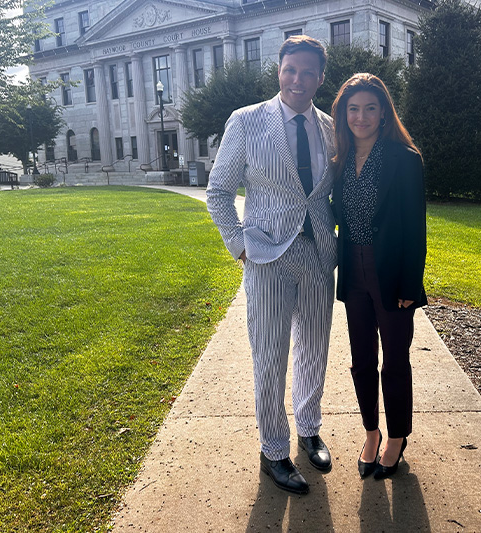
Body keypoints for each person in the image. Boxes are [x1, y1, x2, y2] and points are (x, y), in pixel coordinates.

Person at [206, 35, 336, 495]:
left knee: (315, 350)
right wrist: (238, 245)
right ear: (278, 72)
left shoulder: (329, 127)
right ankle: (273, 450)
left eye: (307, 72)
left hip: (318, 255)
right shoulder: (246, 121)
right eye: (289, 70)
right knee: (269, 355)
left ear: (320, 78)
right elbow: (218, 191)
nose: (297, 80)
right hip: (265, 256)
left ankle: (309, 427)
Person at [330, 73, 427, 480]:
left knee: (395, 359)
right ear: (343, 113)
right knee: (362, 360)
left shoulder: (405, 159)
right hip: (353, 269)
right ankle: (371, 432)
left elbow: (414, 227)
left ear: (384, 112)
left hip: (391, 273)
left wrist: (410, 283)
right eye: (353, 108)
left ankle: (396, 437)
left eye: (371, 108)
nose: (361, 116)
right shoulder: (338, 158)